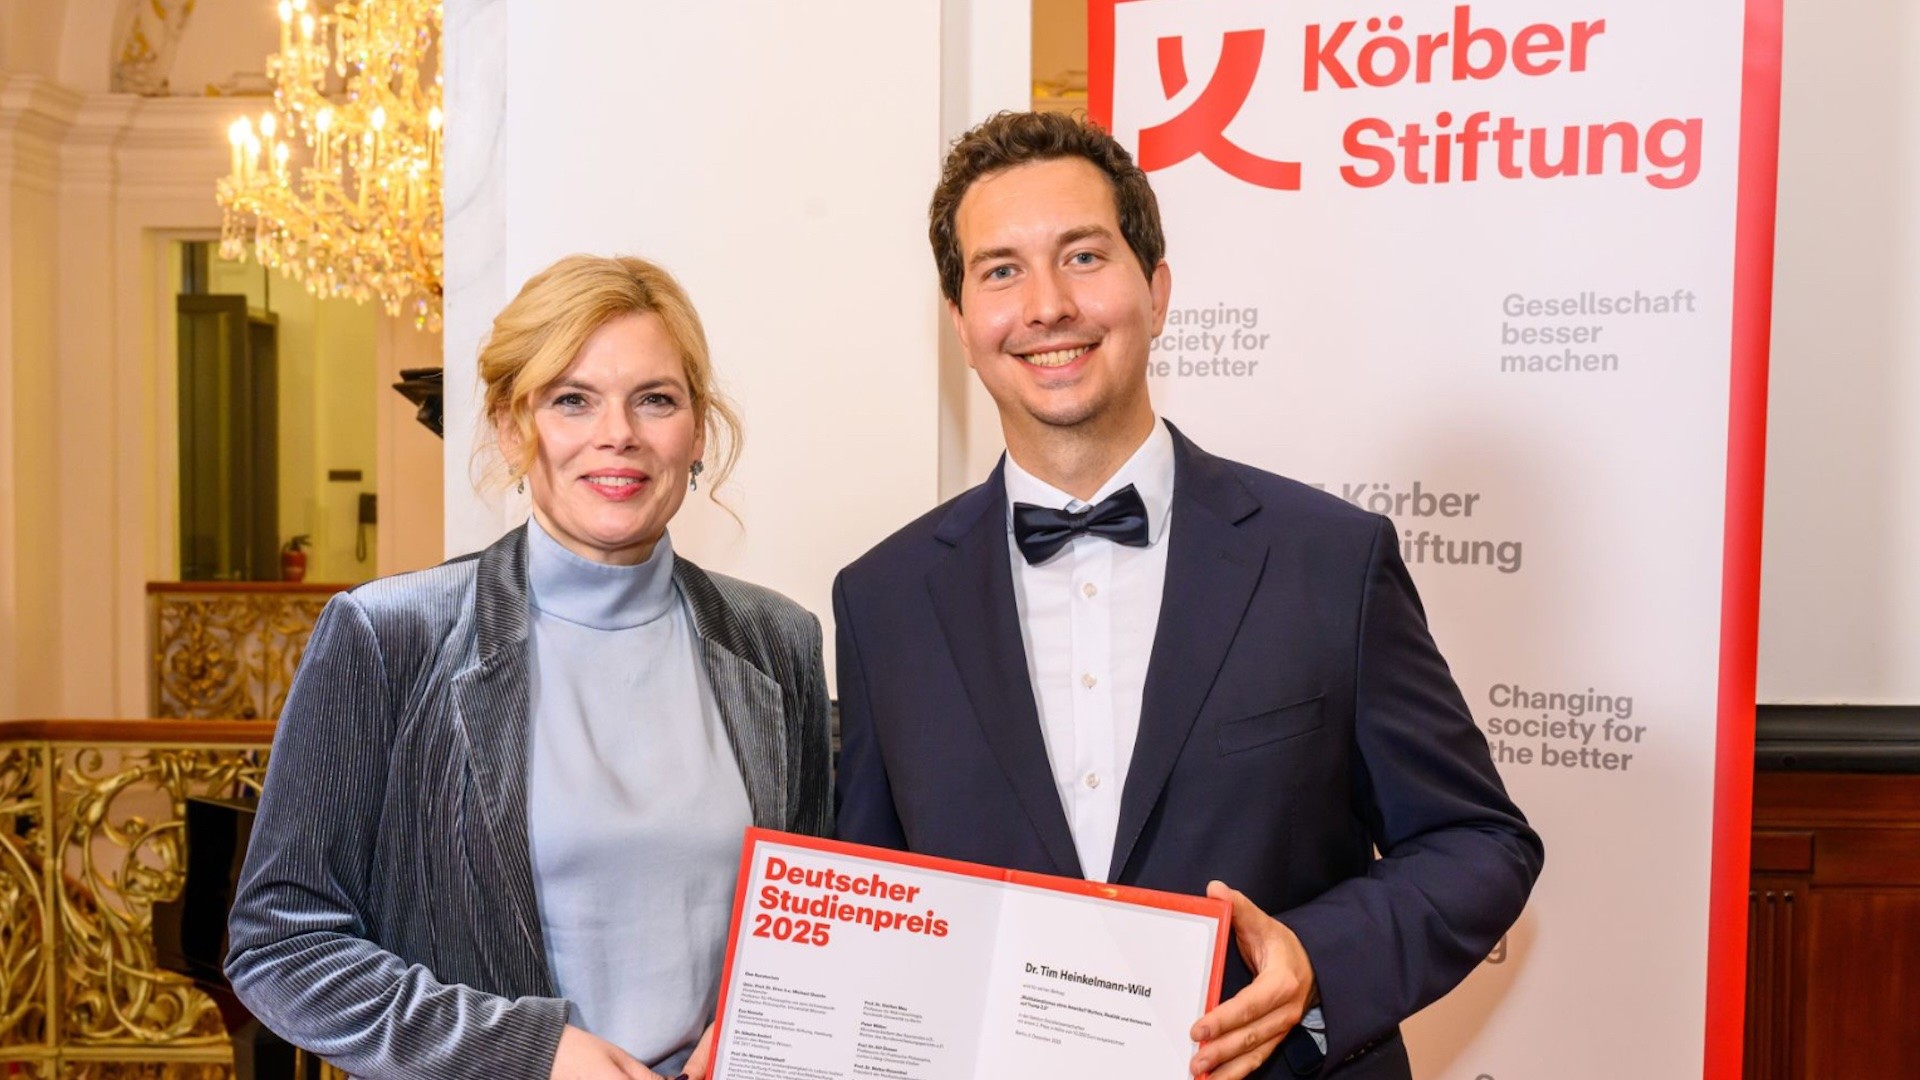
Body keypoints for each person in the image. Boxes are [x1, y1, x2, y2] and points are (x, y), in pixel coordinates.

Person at [832, 112, 1544, 1080]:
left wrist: (1315, 959)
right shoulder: (883, 603)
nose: (1046, 306)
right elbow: (874, 911)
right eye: (1001, 271)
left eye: (1083, 256)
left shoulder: (1328, 561)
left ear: (1156, 291)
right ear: (961, 323)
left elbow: (1479, 843)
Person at [227, 254, 833, 1080]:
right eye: (572, 399)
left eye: (656, 399)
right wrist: (527, 1051)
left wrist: (765, 1021)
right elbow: (279, 943)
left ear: (696, 431)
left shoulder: (777, 641)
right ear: (513, 429)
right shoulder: (387, 637)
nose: (618, 433)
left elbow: (809, 922)